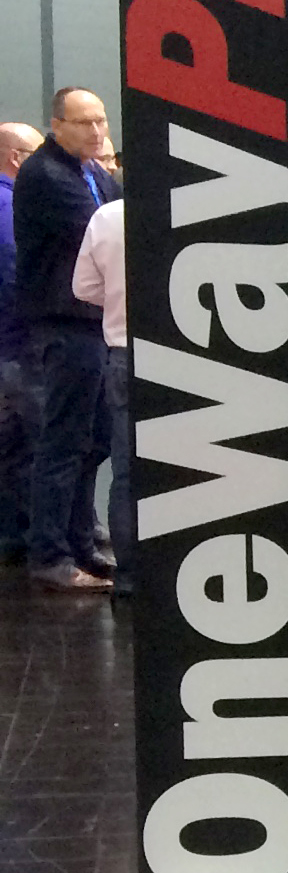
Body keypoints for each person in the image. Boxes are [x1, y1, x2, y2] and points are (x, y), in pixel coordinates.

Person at [17, 86, 116, 590]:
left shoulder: (93, 171)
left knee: (95, 439)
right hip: (64, 324)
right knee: (63, 441)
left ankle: (81, 544)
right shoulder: (46, 174)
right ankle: (50, 554)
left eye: (101, 121)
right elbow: (104, 230)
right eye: (84, 123)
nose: (96, 132)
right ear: (56, 126)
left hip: (95, 324)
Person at [73, 188, 130, 598]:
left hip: (123, 351)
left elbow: (83, 288)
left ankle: (129, 576)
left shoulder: (107, 217)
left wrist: (115, 300)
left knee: (126, 472)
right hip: (187, 354)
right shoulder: (196, 215)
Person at [0, 122, 37, 568]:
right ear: (16, 157)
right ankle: (29, 539)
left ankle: (14, 538)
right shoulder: (10, 206)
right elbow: (15, 274)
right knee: (28, 446)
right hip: (16, 343)